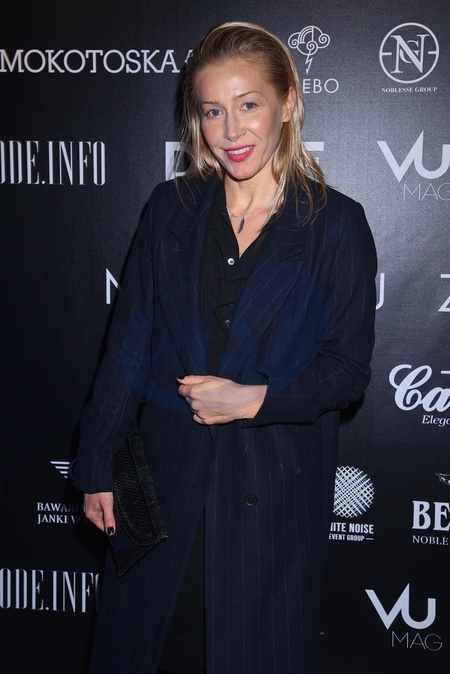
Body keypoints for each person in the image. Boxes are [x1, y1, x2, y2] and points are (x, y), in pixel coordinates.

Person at [74, 21, 377, 674]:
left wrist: (253, 399)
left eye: (249, 105)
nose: (231, 130)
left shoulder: (335, 225)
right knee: (146, 650)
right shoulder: (171, 207)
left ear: (288, 103)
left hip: (271, 494)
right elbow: (128, 344)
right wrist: (97, 460)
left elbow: (347, 370)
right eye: (213, 111)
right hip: (160, 483)